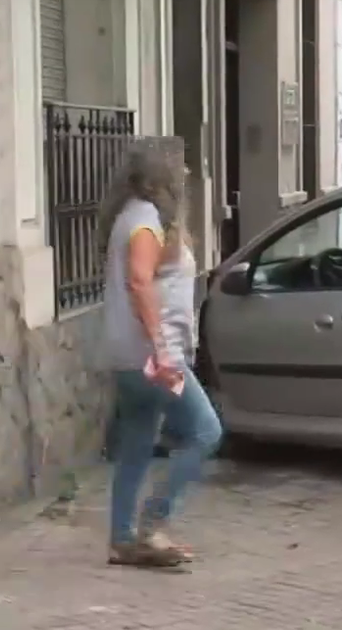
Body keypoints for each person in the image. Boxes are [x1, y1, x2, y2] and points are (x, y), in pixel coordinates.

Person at [99, 141, 224, 568]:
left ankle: (122, 537)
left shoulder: (131, 216)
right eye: (179, 171)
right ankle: (153, 524)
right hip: (152, 358)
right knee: (206, 431)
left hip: (127, 357)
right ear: (160, 179)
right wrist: (161, 348)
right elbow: (139, 281)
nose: (185, 177)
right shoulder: (144, 222)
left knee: (136, 442)